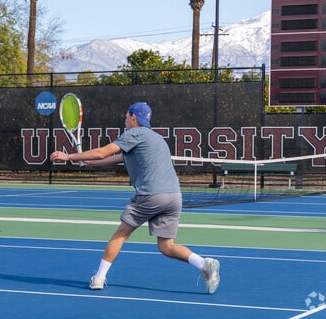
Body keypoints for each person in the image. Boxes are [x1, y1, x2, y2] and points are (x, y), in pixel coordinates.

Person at [50, 102, 220, 294]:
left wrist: (68, 156)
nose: (124, 119)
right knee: (166, 246)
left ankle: (99, 278)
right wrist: (83, 160)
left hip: (151, 195)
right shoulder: (155, 139)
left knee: (121, 234)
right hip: (174, 197)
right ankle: (204, 264)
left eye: (126, 115)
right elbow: (110, 158)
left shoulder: (133, 134)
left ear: (133, 117)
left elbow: (102, 152)